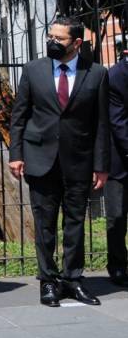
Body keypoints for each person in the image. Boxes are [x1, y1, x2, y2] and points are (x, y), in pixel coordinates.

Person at [9, 16, 110, 306]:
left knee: (76, 223)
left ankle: (73, 279)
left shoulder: (97, 74)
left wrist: (101, 165)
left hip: (79, 162)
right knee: (45, 224)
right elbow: (19, 117)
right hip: (40, 159)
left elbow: (101, 124)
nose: (52, 41)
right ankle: (48, 281)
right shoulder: (33, 70)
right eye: (49, 36)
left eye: (59, 38)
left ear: (76, 43)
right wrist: (16, 155)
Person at [106, 51, 128, 288]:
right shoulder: (116, 76)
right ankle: (118, 266)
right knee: (117, 216)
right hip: (120, 160)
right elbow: (118, 121)